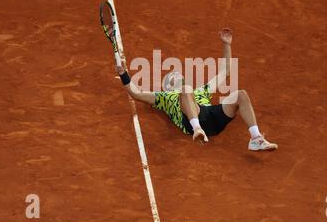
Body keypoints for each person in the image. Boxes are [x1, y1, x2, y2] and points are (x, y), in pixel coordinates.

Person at [115, 28, 278, 151]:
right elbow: (136, 93)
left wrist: (226, 45)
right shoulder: (165, 97)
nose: (176, 76)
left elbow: (225, 72)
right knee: (185, 90)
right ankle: (197, 129)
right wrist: (124, 74)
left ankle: (256, 138)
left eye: (177, 74)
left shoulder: (200, 91)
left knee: (241, 94)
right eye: (172, 78)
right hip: (190, 122)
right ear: (168, 87)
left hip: (210, 116)